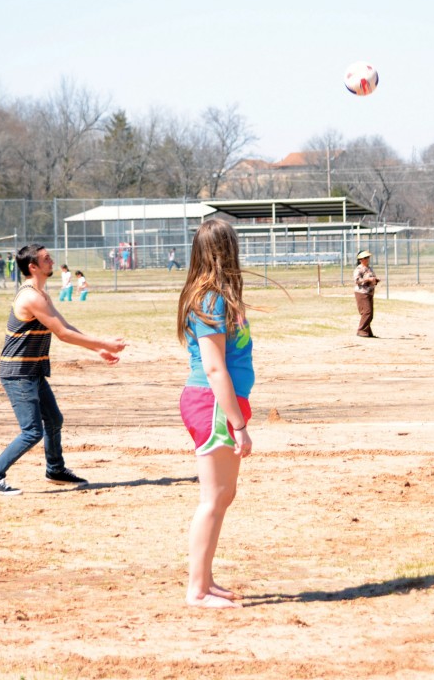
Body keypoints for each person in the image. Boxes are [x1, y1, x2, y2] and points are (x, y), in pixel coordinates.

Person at [0, 244, 126, 496]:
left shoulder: (41, 294)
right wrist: (104, 343)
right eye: (46, 259)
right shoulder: (31, 296)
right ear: (33, 267)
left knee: (54, 420)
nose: (52, 261)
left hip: (32, 371)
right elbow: (63, 334)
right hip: (17, 373)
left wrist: (97, 350)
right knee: (32, 431)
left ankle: (55, 470)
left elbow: (65, 326)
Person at [177, 219, 254, 608]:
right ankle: (198, 590)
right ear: (226, 250)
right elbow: (213, 367)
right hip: (212, 405)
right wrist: (237, 424)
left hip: (222, 405)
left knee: (224, 495)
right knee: (212, 498)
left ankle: (206, 580)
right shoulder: (209, 298)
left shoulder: (218, 296)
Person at [352, 249, 379, 337]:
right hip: (362, 293)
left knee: (370, 314)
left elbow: (372, 277)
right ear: (360, 260)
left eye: (368, 257)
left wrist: (375, 280)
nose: (367, 259)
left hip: (369, 292)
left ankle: (367, 332)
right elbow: (357, 280)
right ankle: (361, 330)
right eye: (365, 258)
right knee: (367, 312)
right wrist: (367, 279)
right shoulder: (359, 269)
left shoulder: (369, 268)